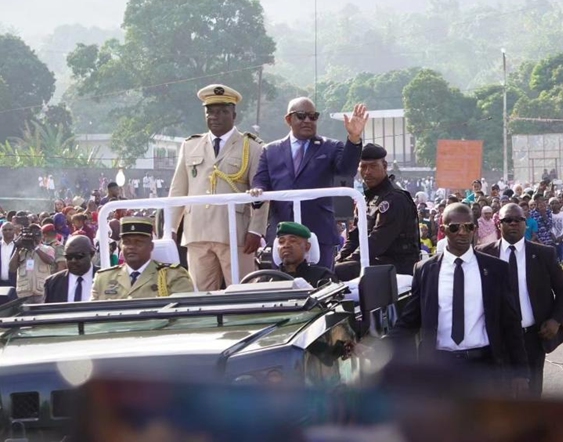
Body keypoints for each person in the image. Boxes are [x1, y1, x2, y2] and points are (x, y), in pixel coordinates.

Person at [388, 203, 529, 395]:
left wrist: (520, 373)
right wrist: (380, 347)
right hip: (439, 368)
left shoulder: (496, 269)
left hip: (484, 367)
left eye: (468, 227)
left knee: (484, 425)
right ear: (443, 229)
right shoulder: (425, 270)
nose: (462, 233)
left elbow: (511, 323)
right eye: (455, 227)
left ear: (475, 229)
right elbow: (410, 320)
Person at [167, 84, 269, 291]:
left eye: (223, 111)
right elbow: (178, 190)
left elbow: (261, 191)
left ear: (234, 115)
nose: (216, 117)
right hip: (197, 232)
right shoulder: (190, 146)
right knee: (201, 296)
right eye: (210, 112)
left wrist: (256, 230)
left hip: (235, 233)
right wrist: (170, 228)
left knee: (243, 294)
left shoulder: (252, 146)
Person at [249, 98, 367, 269]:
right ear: (288, 119)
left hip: (319, 231)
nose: (307, 121)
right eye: (301, 116)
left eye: (313, 117)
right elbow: (261, 180)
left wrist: (354, 137)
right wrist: (257, 192)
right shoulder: (270, 150)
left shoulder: (330, 147)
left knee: (321, 286)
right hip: (282, 235)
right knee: (285, 286)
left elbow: (346, 171)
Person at [476, 203, 563, 398]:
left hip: (532, 338)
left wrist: (556, 320)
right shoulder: (483, 254)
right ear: (498, 224)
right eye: (507, 220)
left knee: (530, 397)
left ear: (525, 223)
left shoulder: (544, 254)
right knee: (498, 397)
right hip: (495, 338)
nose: (513, 224)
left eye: (518, 220)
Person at [334, 143, 419, 281]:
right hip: (374, 262)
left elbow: (377, 241)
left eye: (373, 166)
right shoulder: (366, 199)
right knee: (329, 269)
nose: (367, 172)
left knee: (338, 272)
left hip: (397, 267)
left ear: (384, 166)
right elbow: (354, 238)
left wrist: (346, 263)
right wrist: (340, 258)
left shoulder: (394, 199)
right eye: (363, 166)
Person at [92, 217, 195, 300]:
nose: (131, 247)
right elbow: (92, 319)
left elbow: (184, 317)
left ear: (151, 246)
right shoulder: (104, 278)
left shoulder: (172, 276)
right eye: (126, 242)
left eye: (138, 242)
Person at [270, 222, 337, 287]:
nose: (286, 245)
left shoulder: (322, 276)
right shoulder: (268, 279)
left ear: (307, 246)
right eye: (281, 242)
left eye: (293, 241)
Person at [44, 235, 98, 303]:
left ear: (91, 254)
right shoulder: (53, 283)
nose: (73, 261)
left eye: (79, 256)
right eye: (69, 257)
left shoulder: (104, 279)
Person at [10, 224, 55, 303]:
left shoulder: (47, 249)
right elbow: (12, 268)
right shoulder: (21, 251)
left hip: (41, 292)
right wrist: (17, 249)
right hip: (24, 293)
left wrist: (35, 247)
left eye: (37, 234)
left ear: (41, 236)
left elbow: (50, 261)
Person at [0, 222, 16, 297]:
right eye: (5, 230)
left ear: (14, 230)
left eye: (10, 229)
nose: (7, 231)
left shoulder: (18, 246)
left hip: (15, 284)